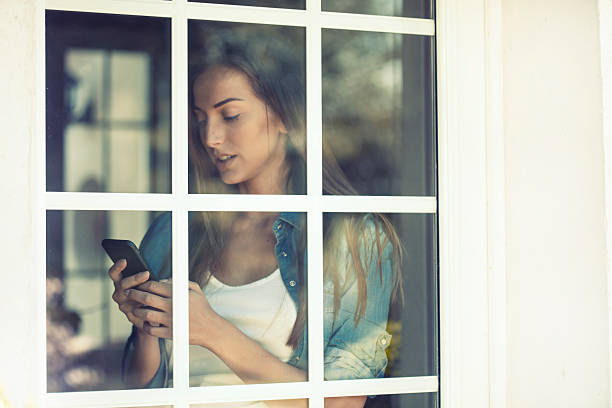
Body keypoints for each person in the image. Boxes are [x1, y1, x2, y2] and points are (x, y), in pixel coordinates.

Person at [108, 34, 403, 408]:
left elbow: (341, 404)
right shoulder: (178, 226)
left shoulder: (355, 237)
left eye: (230, 116)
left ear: (283, 115)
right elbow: (139, 389)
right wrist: (145, 325)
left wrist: (211, 330)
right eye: (201, 119)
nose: (211, 137)